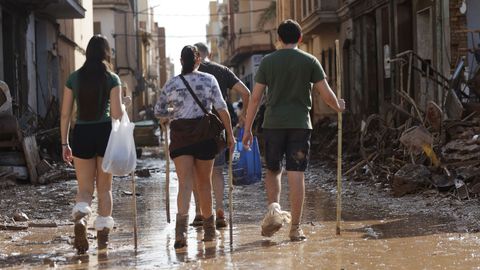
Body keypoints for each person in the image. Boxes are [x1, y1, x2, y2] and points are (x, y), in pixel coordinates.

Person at [242, 19, 346, 241]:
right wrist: (339, 106)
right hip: (300, 125)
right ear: (300, 38)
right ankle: (295, 228)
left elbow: (255, 98)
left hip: (273, 125)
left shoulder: (268, 62)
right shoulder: (310, 61)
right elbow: (326, 95)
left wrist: (247, 129)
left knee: (273, 170)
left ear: (278, 39)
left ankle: (275, 210)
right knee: (296, 173)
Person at [155, 45, 235, 249]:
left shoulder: (171, 83)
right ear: (198, 60)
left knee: (184, 185)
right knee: (204, 184)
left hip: (181, 136)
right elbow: (221, 108)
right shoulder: (209, 80)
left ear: (181, 61)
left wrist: (173, 115)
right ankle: (209, 233)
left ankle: (180, 234)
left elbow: (159, 110)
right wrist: (230, 135)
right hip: (204, 136)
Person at [60, 35, 125, 254]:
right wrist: (124, 105)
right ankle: (103, 239)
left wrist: (64, 143)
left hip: (82, 133)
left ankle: (81, 219)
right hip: (105, 133)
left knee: (85, 189)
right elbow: (116, 113)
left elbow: (65, 114)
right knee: (105, 188)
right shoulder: (112, 78)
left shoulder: (74, 78)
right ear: (106, 53)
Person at [190, 42, 250, 228]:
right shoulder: (222, 70)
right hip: (218, 128)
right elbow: (246, 93)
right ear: (208, 54)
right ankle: (219, 209)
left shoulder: (188, 71)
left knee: (195, 172)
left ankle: (199, 212)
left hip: (192, 129)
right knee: (216, 171)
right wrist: (243, 117)